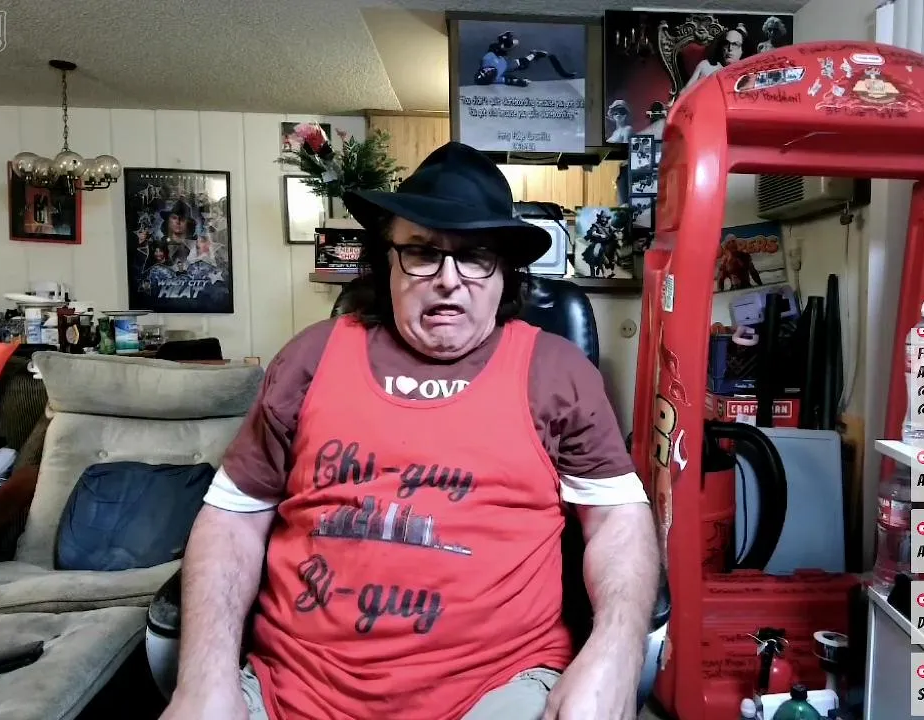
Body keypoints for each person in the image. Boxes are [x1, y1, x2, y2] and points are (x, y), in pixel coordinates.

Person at [160, 142, 660, 720]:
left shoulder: (556, 372)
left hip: (497, 690)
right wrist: (203, 681)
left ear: (504, 272)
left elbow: (618, 521)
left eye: (475, 256)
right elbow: (232, 519)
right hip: (291, 688)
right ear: (388, 262)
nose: (449, 280)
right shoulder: (310, 358)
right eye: (422, 252)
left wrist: (615, 653)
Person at [685, 24, 752, 90]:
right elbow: (684, 93)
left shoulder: (748, 72)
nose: (730, 48)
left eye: (735, 44)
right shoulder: (705, 65)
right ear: (721, 47)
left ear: (742, 50)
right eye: (726, 43)